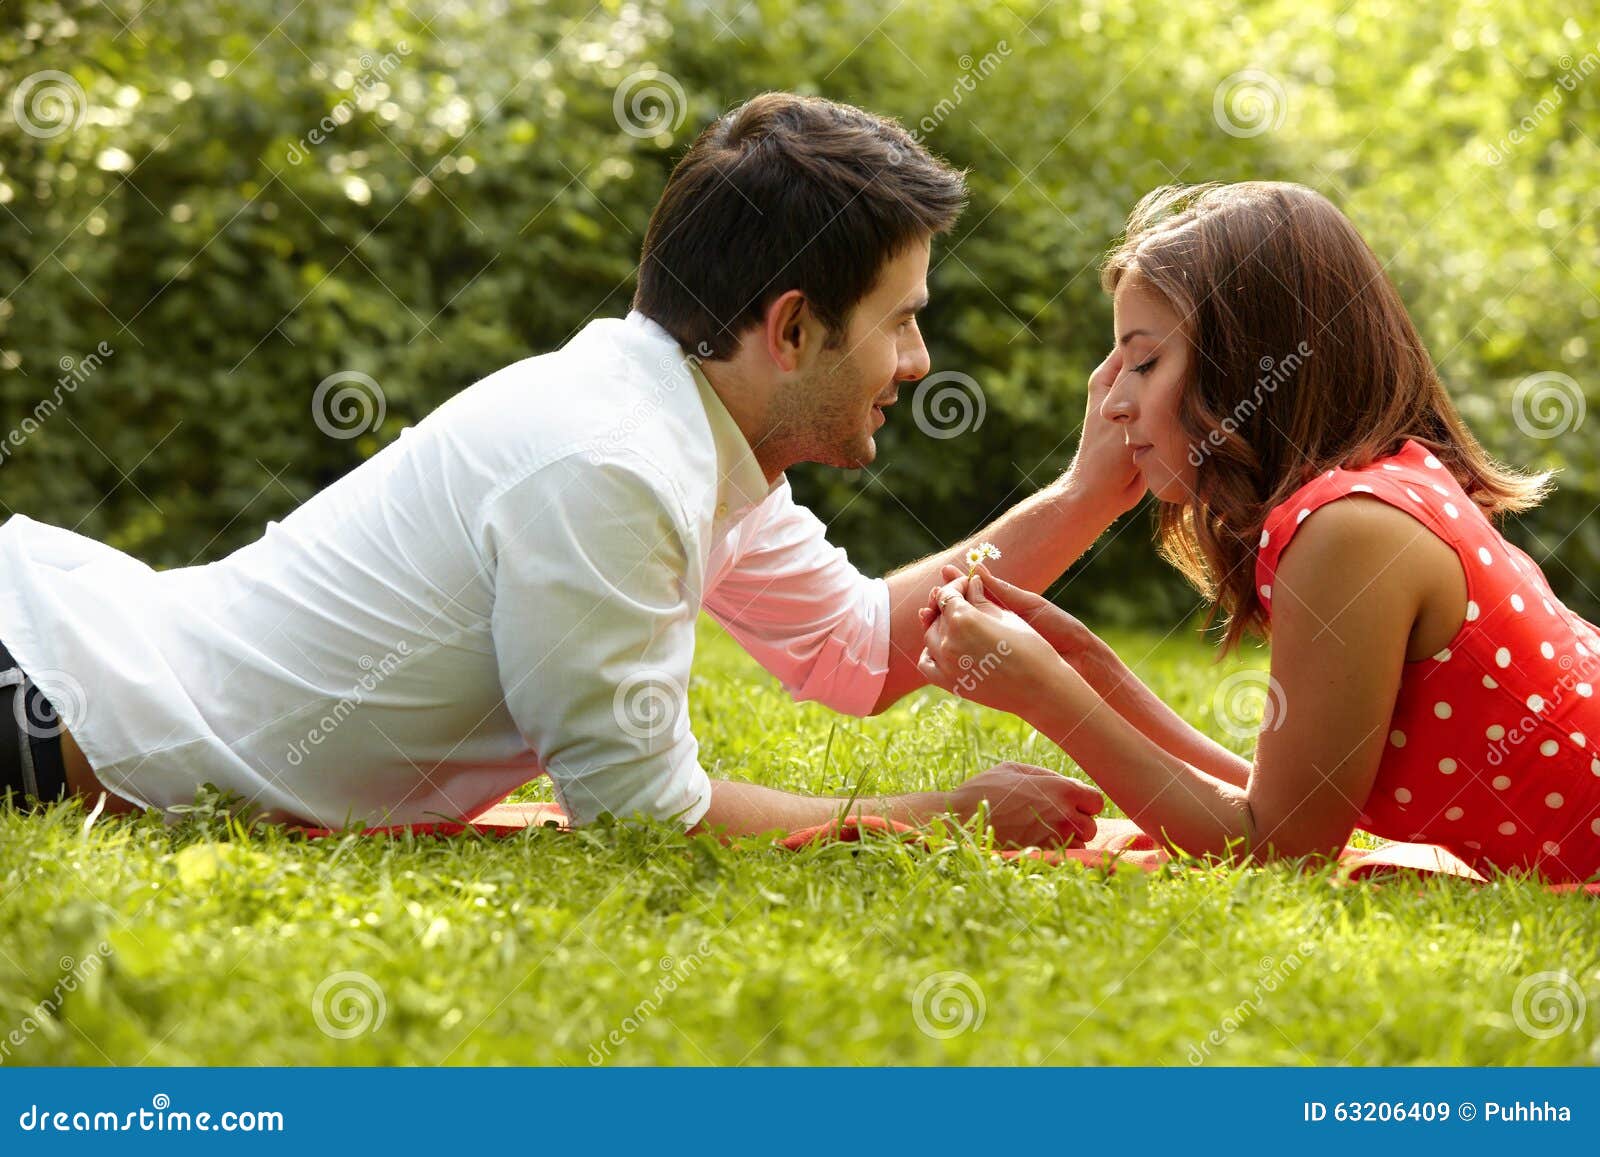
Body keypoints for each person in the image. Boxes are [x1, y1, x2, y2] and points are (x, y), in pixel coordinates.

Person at [0, 93, 1140, 847]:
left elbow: (861, 648)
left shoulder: (688, 425)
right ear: (790, 328)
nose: (918, 360)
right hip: (42, 699)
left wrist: (1092, 489)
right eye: (901, 322)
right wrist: (939, 811)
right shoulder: (616, 464)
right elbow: (642, 814)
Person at [920, 181, 1600, 882]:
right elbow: (1292, 802)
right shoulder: (1376, 494)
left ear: (1249, 363)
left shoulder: (1350, 531)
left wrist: (1043, 694)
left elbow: (1281, 848)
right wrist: (1088, 670)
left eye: (1146, 362)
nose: (1115, 404)